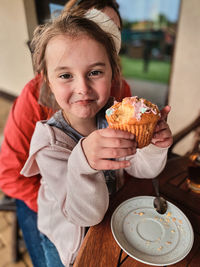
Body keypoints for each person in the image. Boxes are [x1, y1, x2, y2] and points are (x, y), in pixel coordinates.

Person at [20, 9, 172, 267]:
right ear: (48, 81)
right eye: (65, 75)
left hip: (111, 224)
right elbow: (86, 215)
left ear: (113, 72)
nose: (82, 88)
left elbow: (141, 169)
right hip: (67, 243)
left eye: (95, 72)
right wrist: (83, 163)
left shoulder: (115, 120)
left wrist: (153, 146)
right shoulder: (50, 143)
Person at [0, 1, 131, 266]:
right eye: (95, 25)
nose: (105, 38)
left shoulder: (120, 91)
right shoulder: (35, 97)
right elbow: (10, 175)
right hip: (44, 197)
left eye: (113, 32)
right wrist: (59, 203)